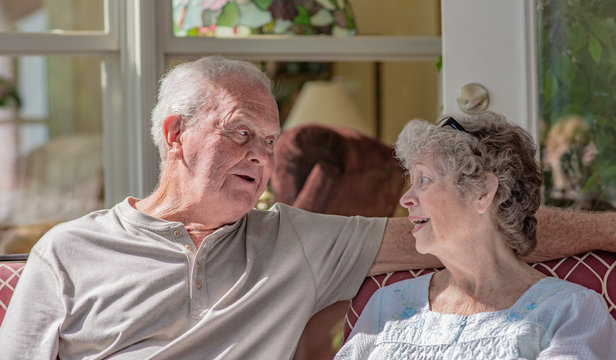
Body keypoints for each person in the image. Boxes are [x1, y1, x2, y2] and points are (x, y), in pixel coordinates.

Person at [0, 56, 614, 360]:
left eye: (270, 142)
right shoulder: (69, 251)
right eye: (240, 133)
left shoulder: (292, 239)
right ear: (175, 134)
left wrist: (611, 225)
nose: (260, 156)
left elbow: (473, 228)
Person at [335, 112, 616, 359]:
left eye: (424, 179)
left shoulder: (569, 312)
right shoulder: (388, 303)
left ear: (483, 191)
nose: (406, 198)